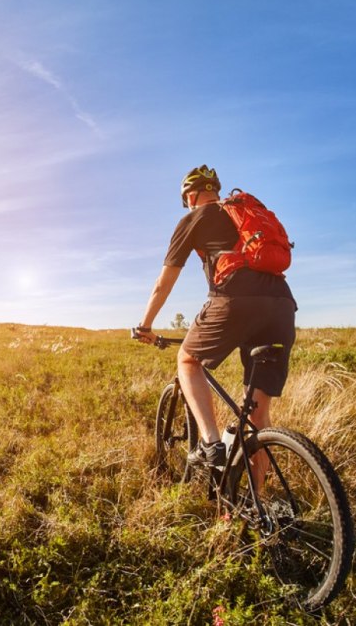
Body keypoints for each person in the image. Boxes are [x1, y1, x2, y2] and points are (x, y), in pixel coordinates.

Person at [135, 165, 296, 478]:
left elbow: (163, 283)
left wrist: (145, 326)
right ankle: (254, 506)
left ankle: (210, 444)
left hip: (234, 299)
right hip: (282, 304)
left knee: (188, 360)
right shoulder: (243, 213)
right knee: (258, 417)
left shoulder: (194, 218)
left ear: (191, 196)